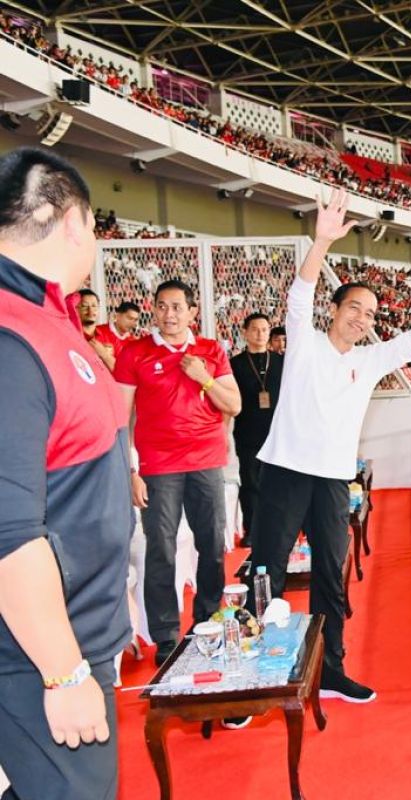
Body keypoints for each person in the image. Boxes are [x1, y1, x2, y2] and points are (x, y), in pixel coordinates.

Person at [250, 188, 411, 703]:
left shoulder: (371, 360)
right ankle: (253, 675)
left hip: (334, 480)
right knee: (267, 571)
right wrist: (321, 241)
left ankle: (330, 669)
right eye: (354, 307)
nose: (361, 318)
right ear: (334, 309)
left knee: (330, 579)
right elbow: (300, 293)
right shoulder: (304, 343)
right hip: (286, 472)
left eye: (370, 313)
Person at [0, 148, 133, 800]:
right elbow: (6, 532)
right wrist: (63, 674)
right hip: (32, 658)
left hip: (65, 642)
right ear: (70, 219)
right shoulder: (9, 335)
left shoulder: (47, 314)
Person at [114, 278, 241, 666]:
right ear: (154, 309)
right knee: (161, 551)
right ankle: (166, 634)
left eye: (177, 307)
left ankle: (207, 619)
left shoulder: (210, 351)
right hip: (157, 466)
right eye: (162, 306)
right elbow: (121, 418)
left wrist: (202, 376)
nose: (169, 314)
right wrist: (130, 471)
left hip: (205, 461)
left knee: (212, 546)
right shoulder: (134, 353)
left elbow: (233, 405)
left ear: (191, 312)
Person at [228, 312, 283, 546]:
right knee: (250, 483)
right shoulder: (235, 364)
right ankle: (252, 529)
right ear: (245, 333)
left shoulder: (282, 362)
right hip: (247, 432)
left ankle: (281, 527)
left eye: (264, 329)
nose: (260, 334)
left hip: (279, 433)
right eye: (255, 329)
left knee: (279, 483)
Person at [88, 300, 139, 371]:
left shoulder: (134, 343)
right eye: (129, 318)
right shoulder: (98, 332)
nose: (133, 324)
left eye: (135, 320)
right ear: (117, 315)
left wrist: (105, 355)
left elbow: (125, 372)